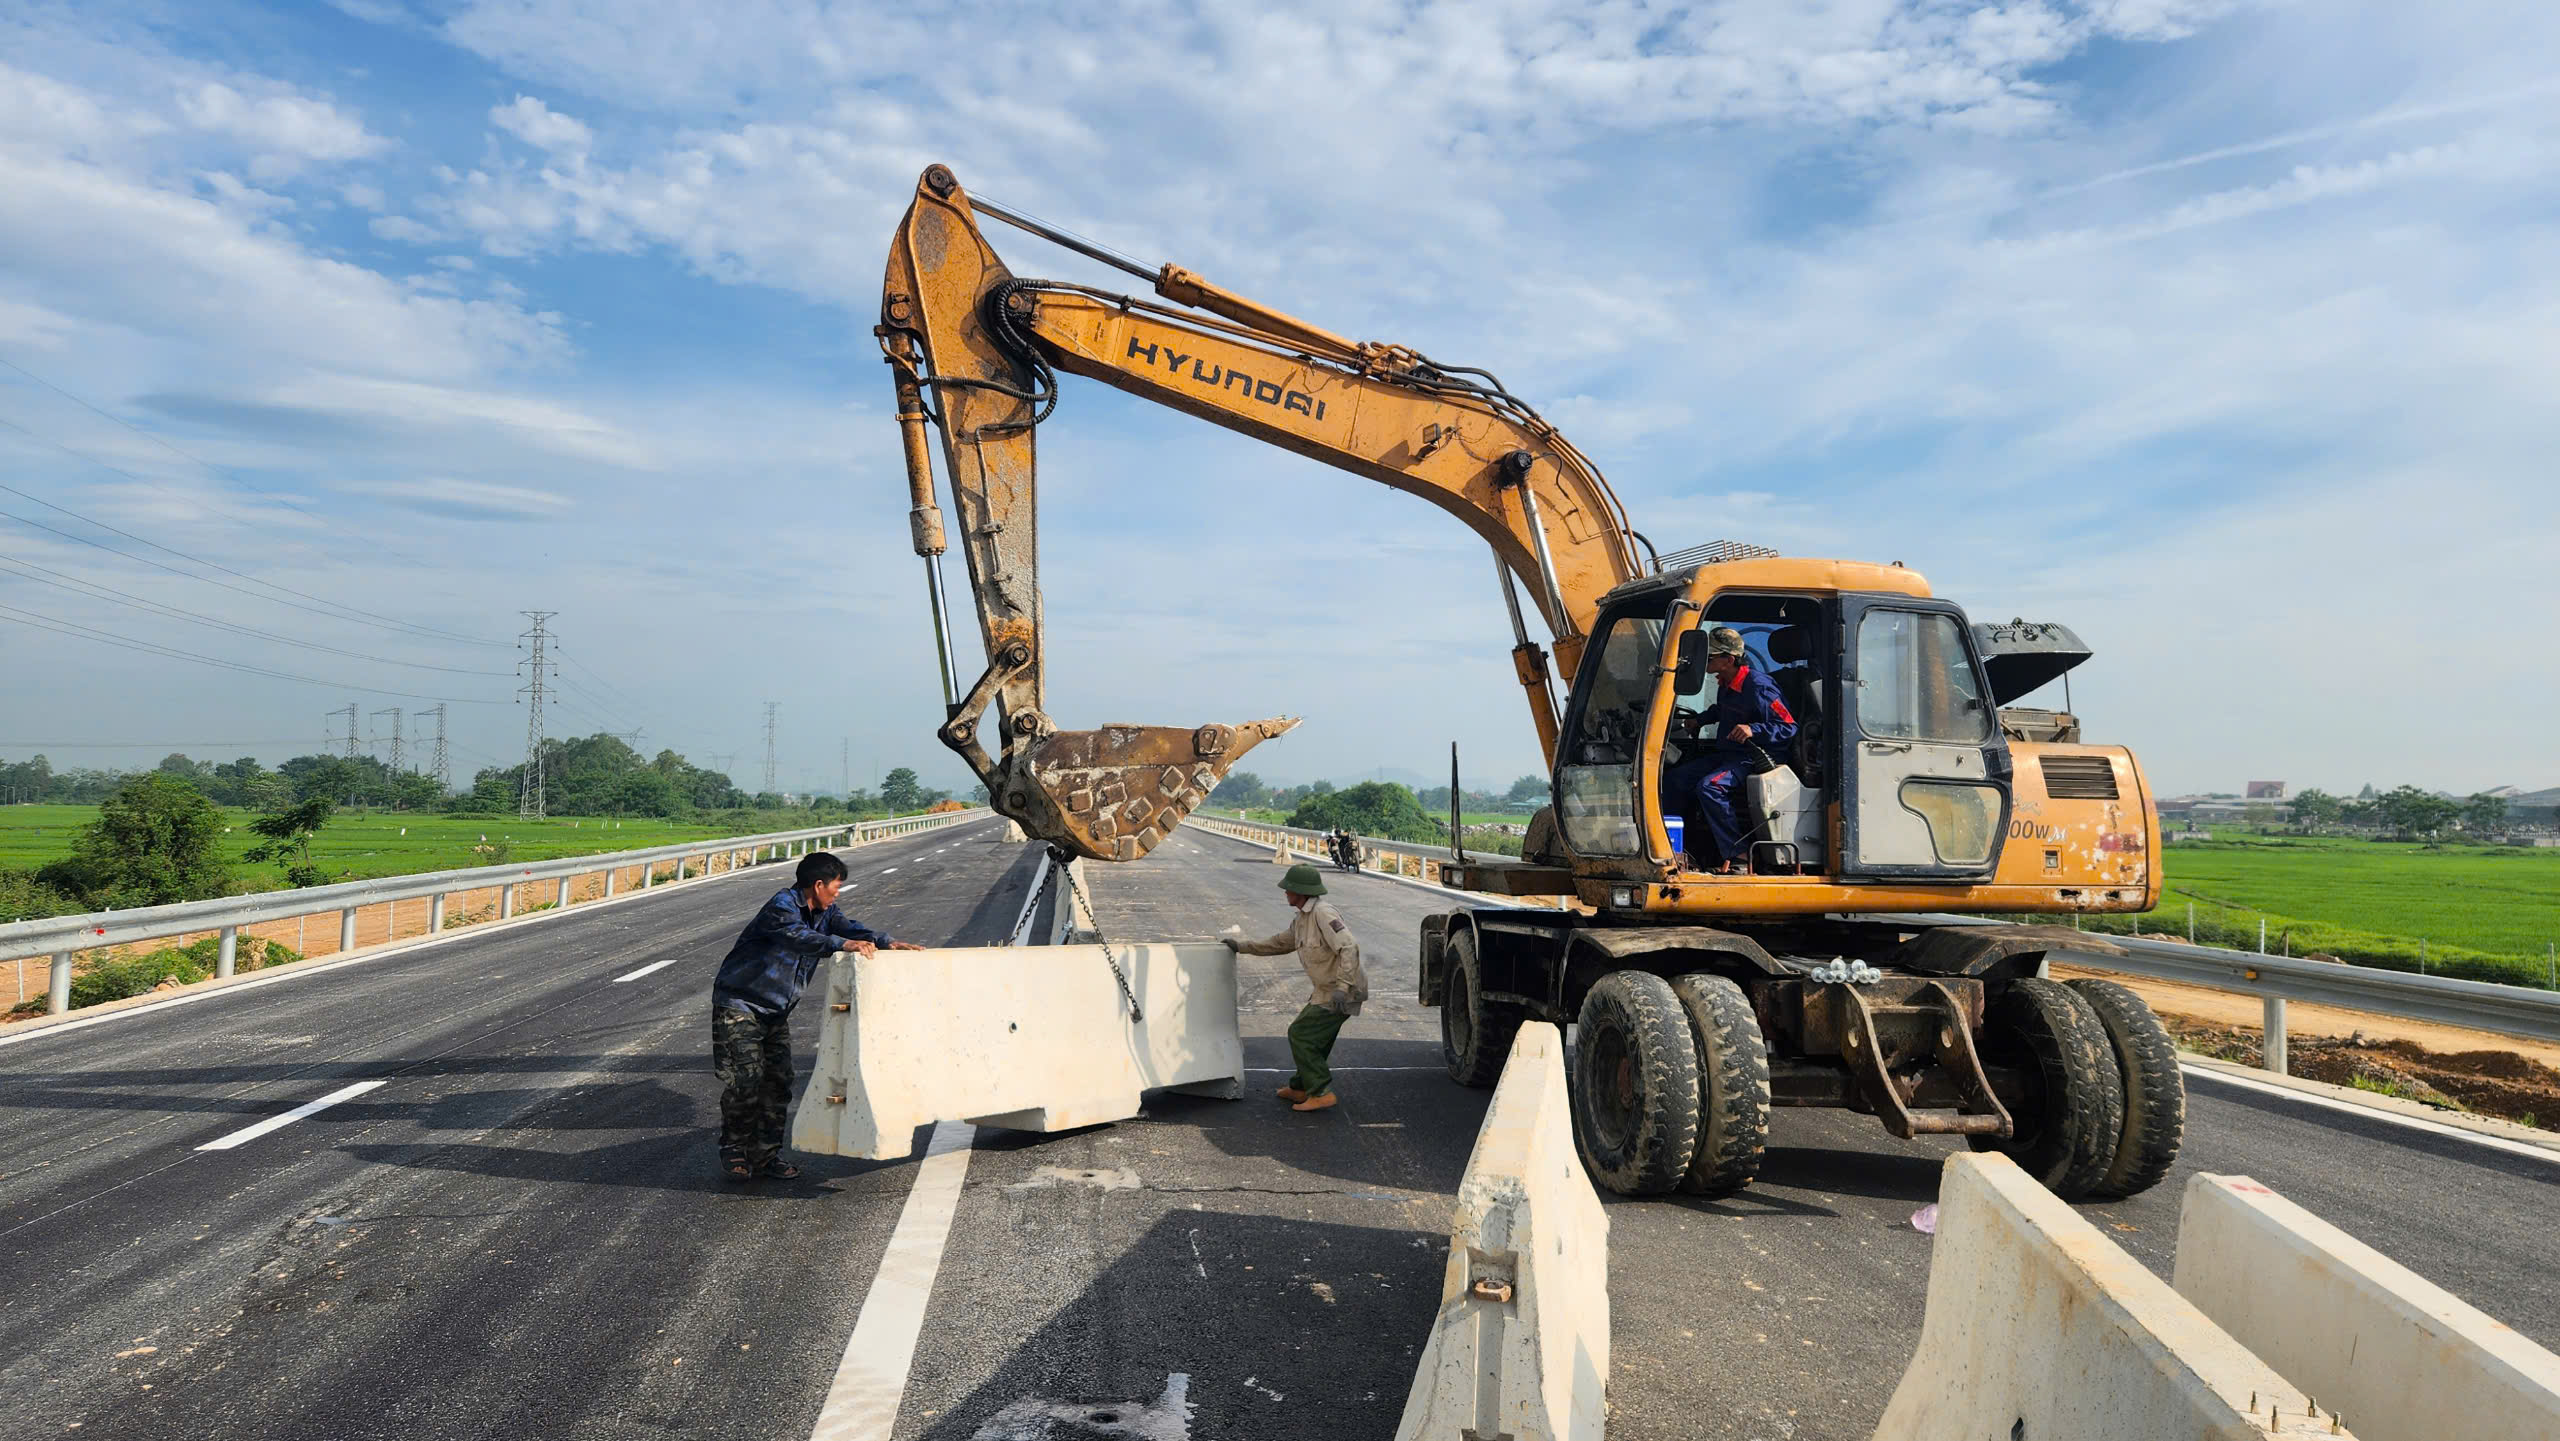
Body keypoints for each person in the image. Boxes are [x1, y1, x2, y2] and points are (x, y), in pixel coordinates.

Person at [710, 851, 922, 1181]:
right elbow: (799, 937)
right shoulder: (783, 906)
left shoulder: (825, 912)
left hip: (776, 1011)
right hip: (740, 1005)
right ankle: (734, 1148)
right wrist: (842, 945)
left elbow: (850, 927)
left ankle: (765, 1156)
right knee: (746, 1079)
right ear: (818, 884)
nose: (837, 893)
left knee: (778, 1083)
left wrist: (887, 942)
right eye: (836, 887)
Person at [1224, 863, 1369, 1112]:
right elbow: (1280, 943)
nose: (1285, 893)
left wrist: (1343, 988)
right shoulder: (1303, 918)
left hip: (1341, 991)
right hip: (1326, 989)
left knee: (1300, 1034)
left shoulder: (1323, 914)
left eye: (1289, 889)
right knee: (1314, 1039)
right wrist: (1242, 946)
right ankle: (1301, 1087)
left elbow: (1348, 947)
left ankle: (1320, 1092)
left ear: (1300, 892)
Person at [1669, 625, 1798, 874]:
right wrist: (1701, 720)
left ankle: (1738, 854)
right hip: (1728, 755)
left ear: (1728, 660)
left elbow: (1788, 726)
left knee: (1710, 786)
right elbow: (1722, 710)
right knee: (1675, 780)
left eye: (1710, 657)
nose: (1704, 662)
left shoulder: (1759, 686)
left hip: (1754, 758)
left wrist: (1754, 730)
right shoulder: (1726, 683)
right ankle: (1674, 848)